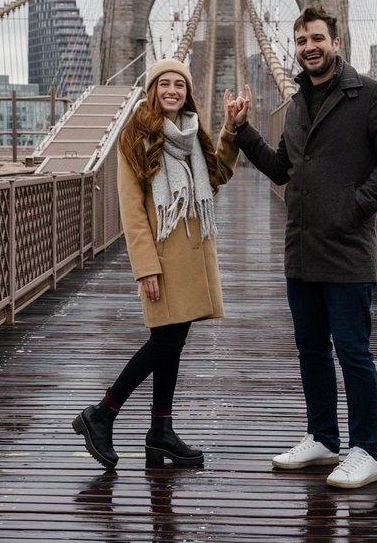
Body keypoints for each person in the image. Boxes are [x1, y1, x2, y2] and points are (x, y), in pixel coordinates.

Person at [225, 4, 377, 489]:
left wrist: (357, 206)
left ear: (336, 43)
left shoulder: (368, 95)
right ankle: (323, 438)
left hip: (347, 248)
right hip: (301, 248)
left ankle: (367, 450)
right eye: (301, 40)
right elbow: (284, 168)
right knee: (311, 348)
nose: (309, 47)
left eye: (317, 39)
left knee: (353, 351)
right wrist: (242, 131)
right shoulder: (297, 103)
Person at [72, 58, 240, 469]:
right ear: (152, 90)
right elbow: (132, 209)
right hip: (163, 258)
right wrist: (145, 266)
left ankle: (160, 433)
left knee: (173, 345)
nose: (171, 90)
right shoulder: (136, 135)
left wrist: (231, 130)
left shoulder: (191, 132)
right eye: (164, 83)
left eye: (179, 84)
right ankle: (101, 413)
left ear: (187, 92)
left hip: (193, 254)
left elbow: (216, 176)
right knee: (163, 343)